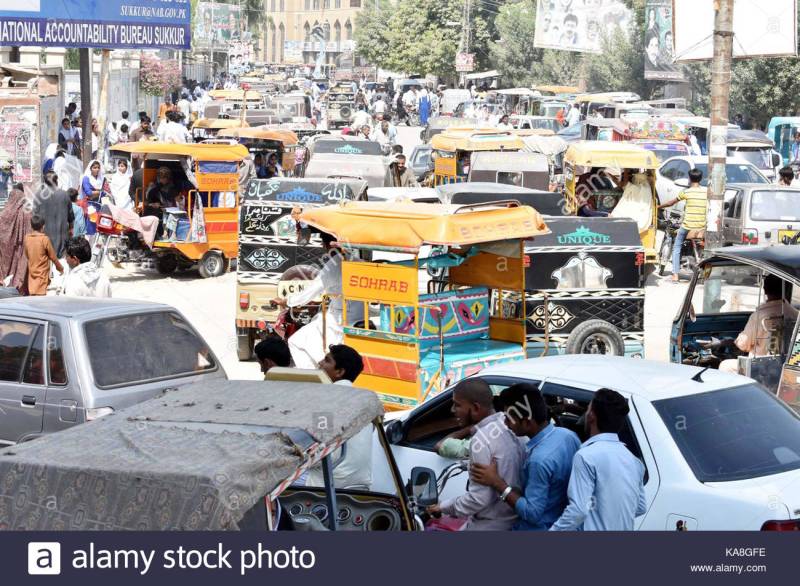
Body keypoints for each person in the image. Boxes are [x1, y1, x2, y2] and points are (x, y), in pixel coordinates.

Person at [470, 383, 581, 531]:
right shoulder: (568, 435)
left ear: (527, 422)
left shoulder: (539, 460)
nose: (505, 424)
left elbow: (532, 513)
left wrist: (497, 483)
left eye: (509, 419)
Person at [427, 378, 525, 530]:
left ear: (476, 408)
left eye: (457, 405)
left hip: (488, 525)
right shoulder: (510, 424)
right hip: (513, 520)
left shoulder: (481, 441)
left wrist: (443, 507)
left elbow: (478, 499)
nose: (453, 410)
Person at [550, 389, 646, 531]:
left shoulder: (585, 456)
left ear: (591, 416)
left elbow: (578, 510)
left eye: (587, 409)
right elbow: (640, 507)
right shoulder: (634, 461)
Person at [274, 232, 364, 369]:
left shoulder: (334, 265)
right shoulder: (357, 261)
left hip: (338, 321)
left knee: (296, 341)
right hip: (360, 315)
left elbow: (311, 291)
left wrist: (287, 301)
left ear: (325, 245)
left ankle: (318, 375)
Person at [302, 344, 373, 489]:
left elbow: (321, 452)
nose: (320, 363)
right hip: (359, 485)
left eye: (327, 360)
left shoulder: (328, 401)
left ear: (339, 372)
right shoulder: (363, 400)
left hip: (328, 485)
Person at [718, 275, 799, 373]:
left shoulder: (758, 315)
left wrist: (733, 341)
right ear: (786, 290)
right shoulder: (796, 314)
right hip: (788, 364)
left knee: (725, 365)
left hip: (762, 367)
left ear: (765, 290)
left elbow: (743, 345)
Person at [658, 168, 707, 282]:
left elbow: (671, 202)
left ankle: (675, 274)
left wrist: (658, 207)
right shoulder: (706, 192)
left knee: (677, 246)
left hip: (687, 226)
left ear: (689, 179)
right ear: (701, 179)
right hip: (701, 227)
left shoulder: (686, 192)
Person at [32, 172, 73, 260]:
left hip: (43, 237)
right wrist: (70, 229)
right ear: (56, 181)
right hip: (62, 237)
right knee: (60, 265)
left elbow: (34, 216)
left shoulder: (38, 195)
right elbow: (71, 217)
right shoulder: (65, 195)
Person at [0, 184, 32, 294]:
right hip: (21, 250)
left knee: (5, 270)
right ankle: (17, 287)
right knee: (19, 267)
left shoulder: (3, 214)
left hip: (5, 254)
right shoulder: (27, 212)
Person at [24, 215, 63, 296]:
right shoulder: (44, 239)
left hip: (32, 273)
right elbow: (53, 257)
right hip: (42, 275)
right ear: (43, 226)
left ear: (31, 226)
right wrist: (60, 268)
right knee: (41, 297)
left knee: (33, 294)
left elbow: (27, 254)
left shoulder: (27, 238)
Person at [80, 160, 109, 238]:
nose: (97, 169)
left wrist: (95, 192)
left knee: (98, 229)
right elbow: (88, 193)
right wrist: (99, 191)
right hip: (90, 206)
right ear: (90, 168)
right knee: (90, 228)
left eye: (98, 168)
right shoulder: (86, 178)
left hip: (100, 206)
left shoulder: (102, 179)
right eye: (94, 167)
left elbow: (106, 191)